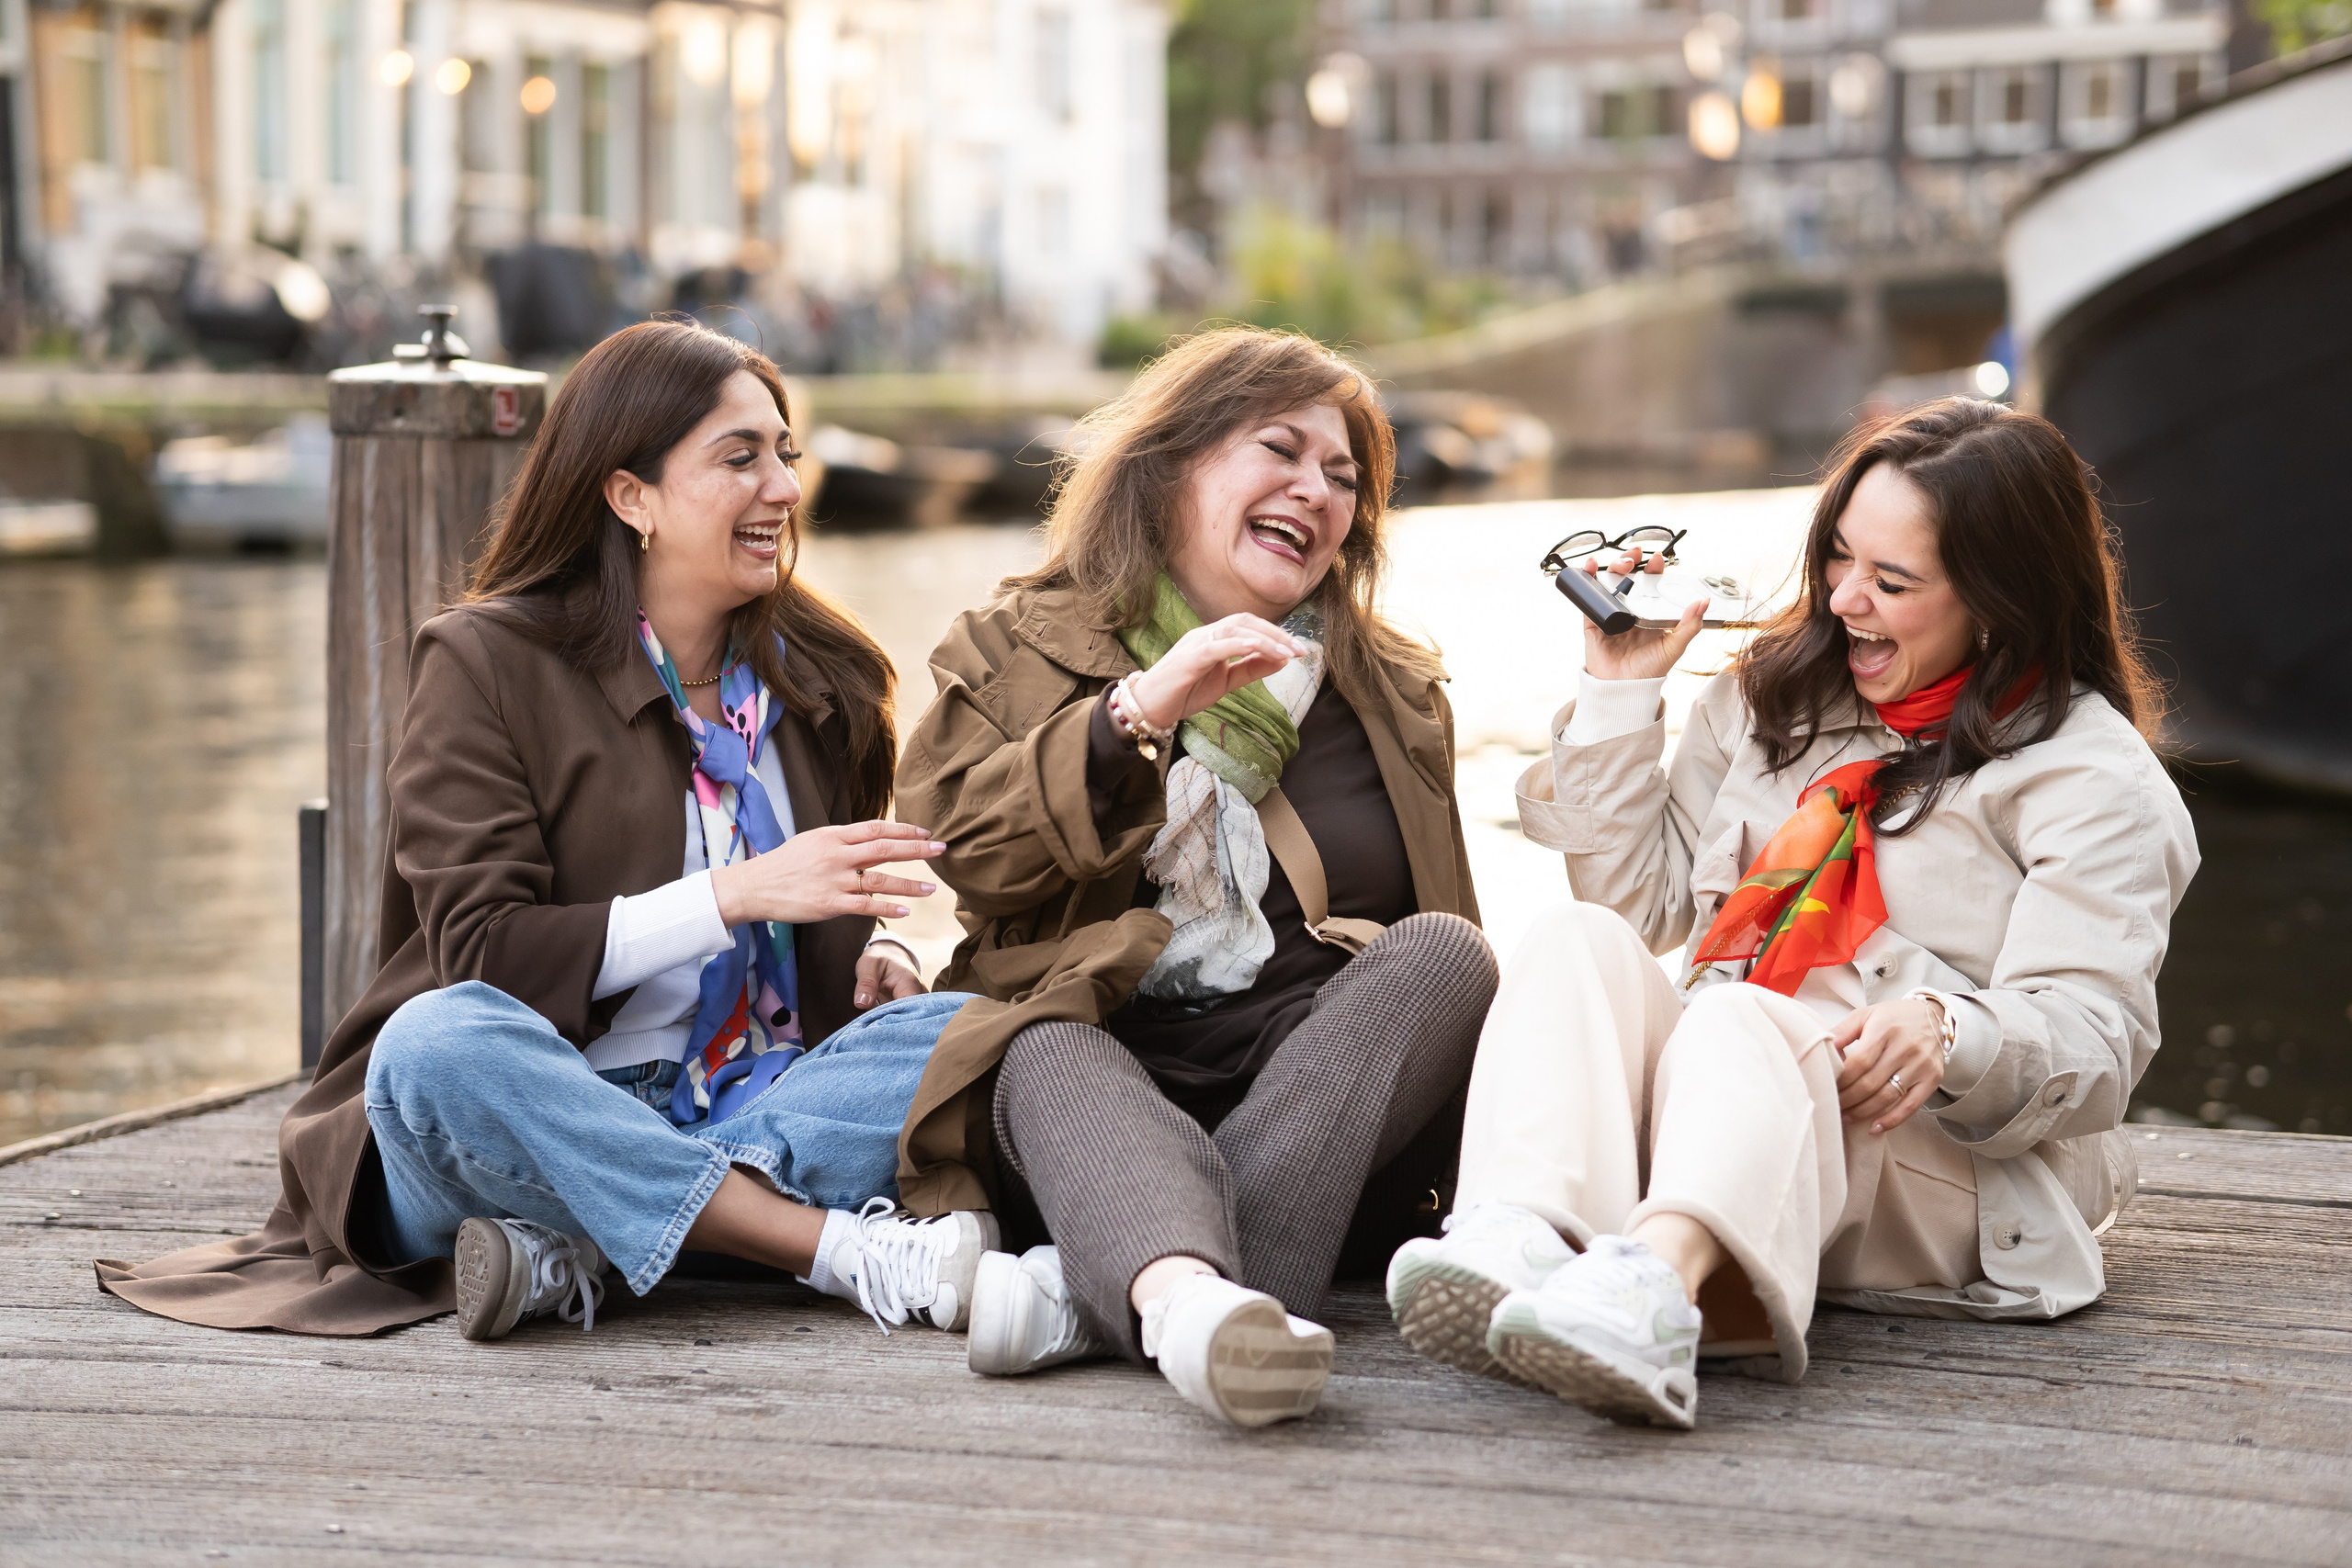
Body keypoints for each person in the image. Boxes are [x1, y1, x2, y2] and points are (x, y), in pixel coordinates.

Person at [99, 321, 994, 1340]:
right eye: (739, 457)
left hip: (753, 1103)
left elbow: (827, 891)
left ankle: (575, 1244)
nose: (784, 488)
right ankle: (833, 1250)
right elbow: (483, 956)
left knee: (976, 1025)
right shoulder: (484, 662)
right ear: (629, 496)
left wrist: (882, 951)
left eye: (784, 453)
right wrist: (732, 895)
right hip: (536, 1097)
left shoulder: (826, 678)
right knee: (434, 1045)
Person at [1388, 398, 2198, 1427]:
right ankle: (1516, 1236)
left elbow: (2099, 1043)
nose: (1845, 599)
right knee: (1574, 941)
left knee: (1733, 1014)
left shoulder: (2094, 780)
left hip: (1932, 1172)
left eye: (1891, 582)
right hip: (1722, 1115)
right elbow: (1636, 906)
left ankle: (1658, 1288)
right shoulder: (1770, 698)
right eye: (1838, 559)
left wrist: (1952, 1029)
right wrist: (1617, 696)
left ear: (1998, 600)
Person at [894, 327, 1498, 1428]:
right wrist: (1140, 710)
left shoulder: (1392, 686)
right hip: (1101, 1086)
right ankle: (1192, 1286)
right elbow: (961, 852)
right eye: (1280, 451)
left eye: (1344, 477)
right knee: (1036, 1043)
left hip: (1321, 1094)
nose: (1317, 492)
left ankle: (1132, 1291)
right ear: (1169, 465)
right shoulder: (1013, 645)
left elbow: (1438, 945)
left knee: (1449, 956)